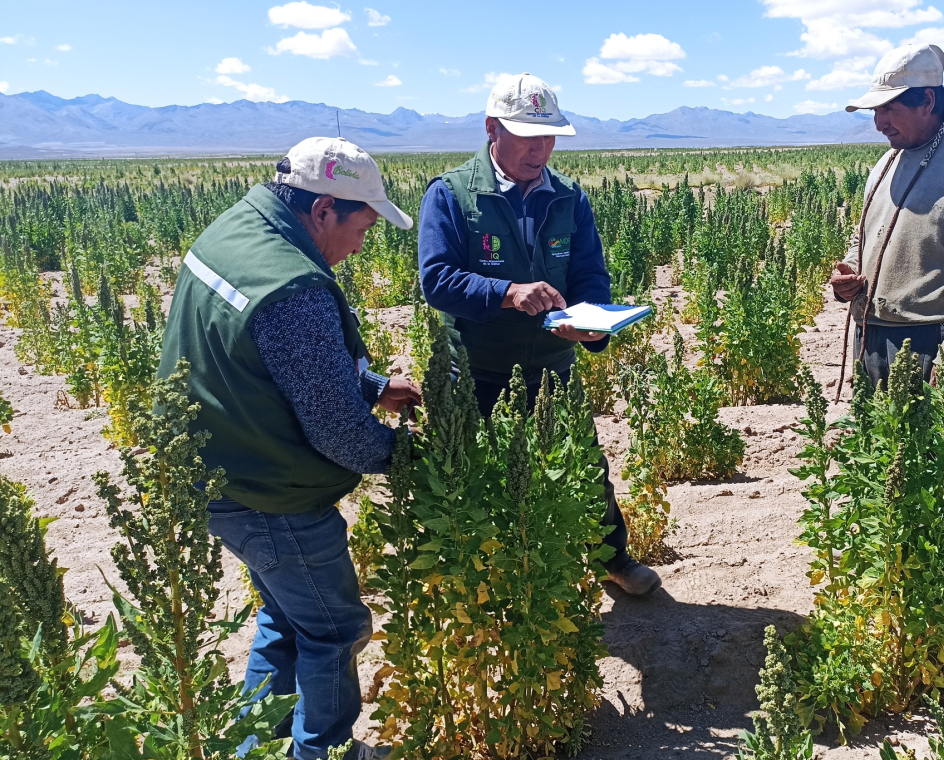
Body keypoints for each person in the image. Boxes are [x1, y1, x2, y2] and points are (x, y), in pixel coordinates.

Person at [158, 136, 421, 760]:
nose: (362, 244)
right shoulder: (292, 286)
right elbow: (338, 430)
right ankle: (324, 752)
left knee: (286, 616)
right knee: (335, 629)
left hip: (215, 469)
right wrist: (412, 459)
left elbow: (265, 358)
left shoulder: (236, 230)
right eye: (362, 226)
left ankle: (254, 748)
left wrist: (371, 386)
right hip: (268, 492)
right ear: (324, 209)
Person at [417, 72, 661, 596]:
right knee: (474, 473)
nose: (541, 150)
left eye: (549, 137)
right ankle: (481, 579)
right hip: (479, 369)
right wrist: (507, 292)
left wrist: (591, 327)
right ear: (492, 129)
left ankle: (613, 560)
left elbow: (589, 275)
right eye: (528, 137)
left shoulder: (568, 198)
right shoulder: (451, 194)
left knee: (584, 464)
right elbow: (436, 280)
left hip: (551, 365)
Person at [831, 43, 944, 390]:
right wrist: (848, 273)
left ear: (927, 100)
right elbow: (866, 235)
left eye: (889, 109)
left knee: (925, 429)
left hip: (930, 343)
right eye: (875, 111)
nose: (879, 124)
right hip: (870, 334)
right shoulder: (889, 160)